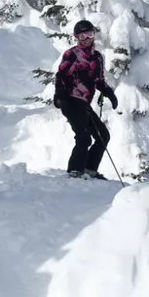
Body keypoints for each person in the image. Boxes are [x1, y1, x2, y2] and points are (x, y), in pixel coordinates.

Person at [53, 19, 118, 179]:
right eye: (82, 35)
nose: (86, 38)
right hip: (69, 100)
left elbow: (99, 80)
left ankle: (89, 169)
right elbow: (60, 75)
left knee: (103, 136)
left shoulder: (98, 57)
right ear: (77, 37)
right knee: (83, 137)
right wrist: (60, 95)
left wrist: (109, 92)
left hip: (83, 103)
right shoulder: (72, 54)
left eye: (89, 33)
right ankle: (75, 171)